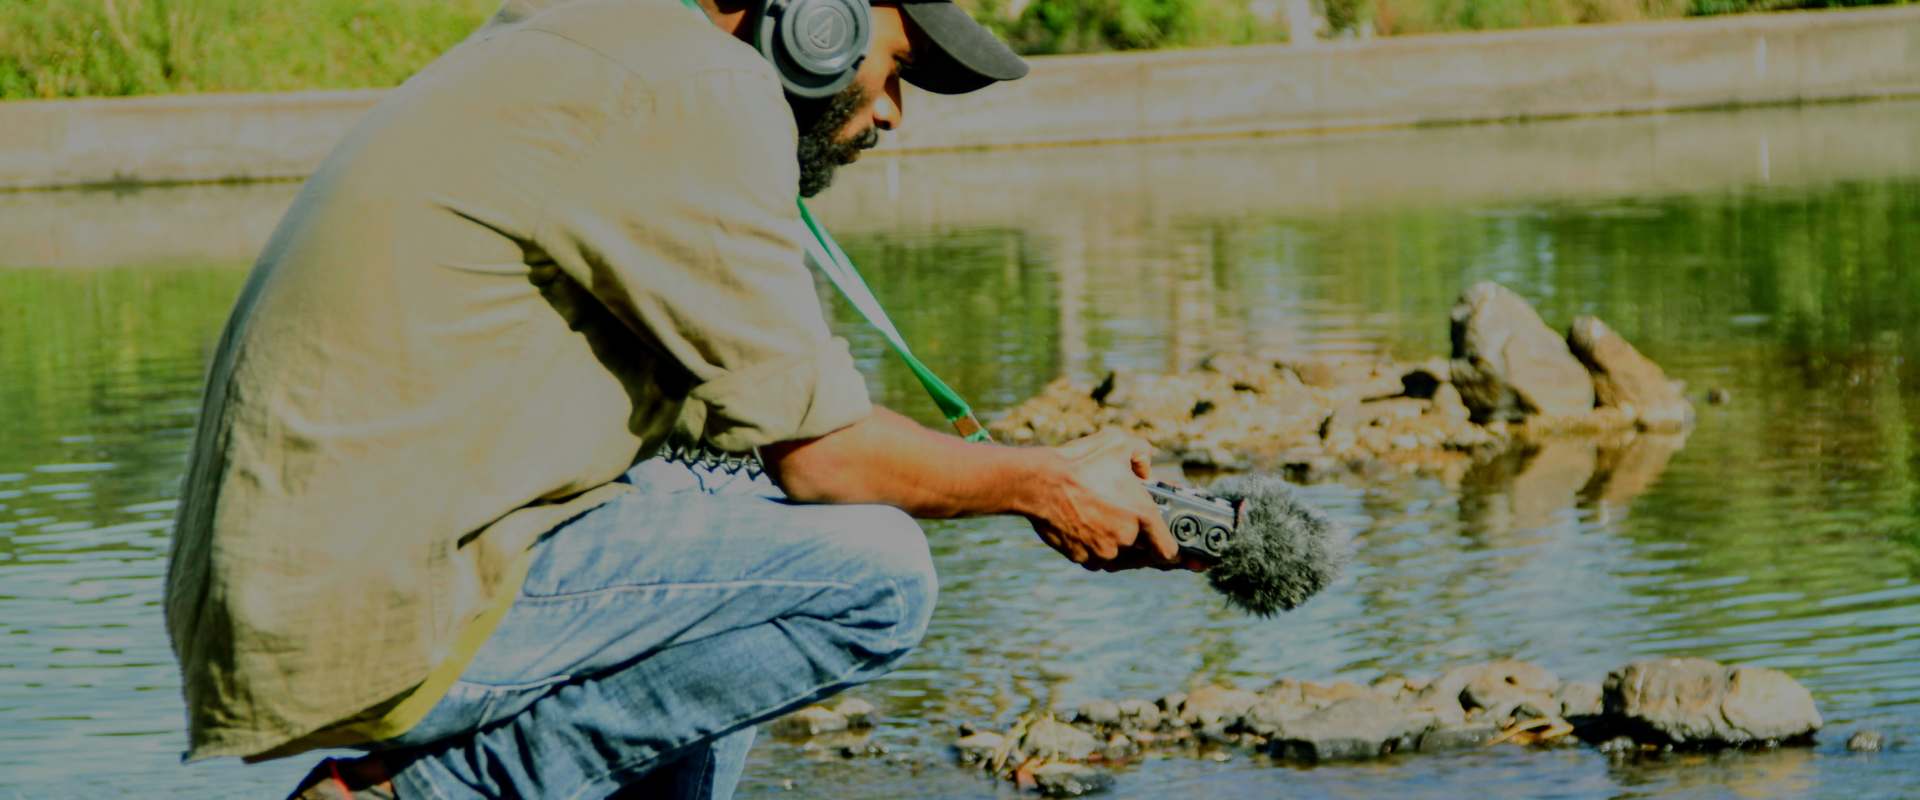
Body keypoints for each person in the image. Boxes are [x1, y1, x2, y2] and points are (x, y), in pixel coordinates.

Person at [163, 0, 1182, 796]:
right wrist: (1042, 480)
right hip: (371, 601)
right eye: (899, 66)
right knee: (871, 568)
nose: (892, 113)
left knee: (752, 542)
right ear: (810, 15)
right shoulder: (696, 86)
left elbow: (754, 443)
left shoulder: (601, 40)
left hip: (309, 584)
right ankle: (414, 794)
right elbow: (825, 456)